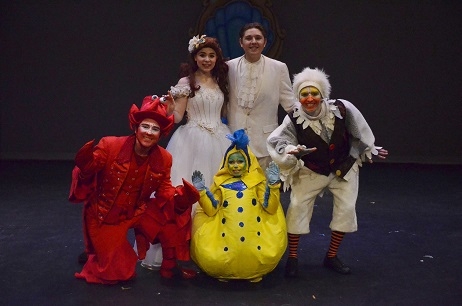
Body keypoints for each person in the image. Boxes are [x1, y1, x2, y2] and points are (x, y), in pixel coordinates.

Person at [266, 67, 389, 277]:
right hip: (312, 170)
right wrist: (290, 151)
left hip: (343, 167)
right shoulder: (293, 118)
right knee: (296, 207)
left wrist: (369, 148)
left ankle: (331, 256)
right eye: (304, 94)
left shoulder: (342, 109)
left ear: (323, 94)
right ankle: (293, 258)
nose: (310, 98)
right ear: (299, 97)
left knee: (347, 209)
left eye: (314, 93)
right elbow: (277, 140)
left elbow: (360, 131)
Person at [69, 95, 199, 284]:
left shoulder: (164, 158)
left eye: (155, 129)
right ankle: (99, 251)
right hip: (105, 215)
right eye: (145, 126)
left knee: (171, 216)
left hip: (137, 211)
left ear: (161, 133)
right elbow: (92, 166)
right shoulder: (110, 145)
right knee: (119, 273)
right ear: (136, 127)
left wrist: (181, 200)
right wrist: (86, 166)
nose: (149, 132)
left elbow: (164, 191)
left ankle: (170, 267)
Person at [138, 35, 232, 270]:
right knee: (187, 194)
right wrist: (169, 108)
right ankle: (181, 249)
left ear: (217, 58)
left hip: (219, 138)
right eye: (202, 55)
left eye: (211, 55)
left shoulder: (222, 80)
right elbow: (178, 117)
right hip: (192, 139)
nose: (207, 59)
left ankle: (214, 247)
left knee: (218, 192)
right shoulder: (185, 82)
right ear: (195, 57)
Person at [190, 129, 287, 283]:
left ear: (248, 162)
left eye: (240, 161)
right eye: (232, 162)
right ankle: (223, 270)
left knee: (256, 254)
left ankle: (254, 271)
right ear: (226, 163)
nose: (236, 166)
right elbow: (211, 209)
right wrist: (202, 191)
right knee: (215, 257)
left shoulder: (257, 182)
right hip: (225, 240)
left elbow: (271, 208)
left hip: (255, 241)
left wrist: (273, 186)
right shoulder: (220, 183)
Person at [227, 22, 296, 171]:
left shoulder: (279, 68)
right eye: (248, 38)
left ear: (265, 42)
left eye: (258, 38)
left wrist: (315, 111)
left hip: (265, 143)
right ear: (241, 42)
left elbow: (290, 105)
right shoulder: (228, 67)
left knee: (264, 191)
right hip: (234, 140)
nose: (253, 42)